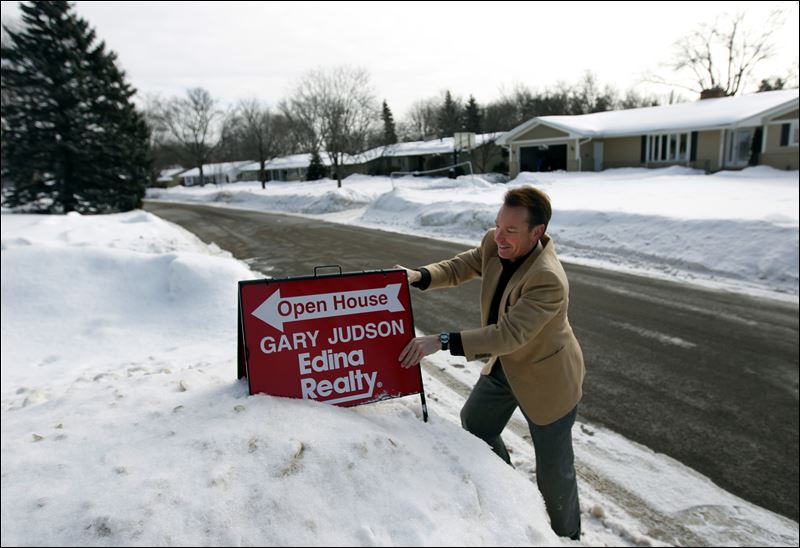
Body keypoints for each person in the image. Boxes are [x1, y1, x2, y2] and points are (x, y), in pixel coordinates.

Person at [396, 186, 585, 540]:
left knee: (554, 471)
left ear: (536, 232)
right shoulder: (494, 243)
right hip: (506, 366)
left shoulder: (547, 278)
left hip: (547, 377)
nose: (499, 236)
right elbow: (463, 265)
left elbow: (508, 335)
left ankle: (566, 536)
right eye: (498, 225)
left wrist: (441, 341)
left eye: (511, 230)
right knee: (476, 421)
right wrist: (420, 275)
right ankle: (511, 492)